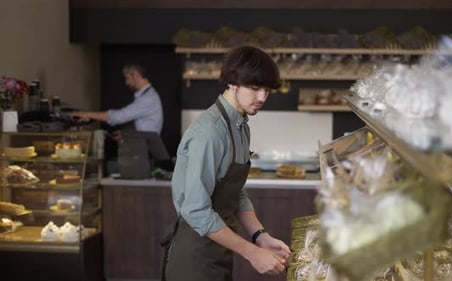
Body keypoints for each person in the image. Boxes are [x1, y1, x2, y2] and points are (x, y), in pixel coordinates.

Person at [162, 46, 291, 281]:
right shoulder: (210, 131)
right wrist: (252, 253)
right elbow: (196, 210)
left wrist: (260, 236)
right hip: (194, 256)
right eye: (254, 88)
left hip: (219, 250)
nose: (262, 97)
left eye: (267, 90)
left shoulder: (240, 125)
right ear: (233, 82)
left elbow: (234, 191)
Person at [70, 64, 163, 137]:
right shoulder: (147, 95)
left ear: (136, 75)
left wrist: (87, 114)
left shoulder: (148, 99)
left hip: (143, 149)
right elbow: (142, 124)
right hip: (140, 145)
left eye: (127, 78)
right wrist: (125, 134)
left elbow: (119, 116)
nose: (126, 83)